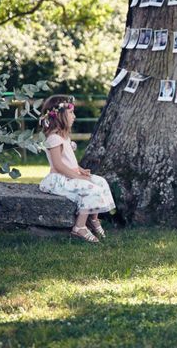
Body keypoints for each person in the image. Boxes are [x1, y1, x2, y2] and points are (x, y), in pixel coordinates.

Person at [38, 95, 115, 243]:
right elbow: (59, 165)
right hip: (60, 179)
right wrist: (77, 177)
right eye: (71, 113)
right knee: (91, 189)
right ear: (60, 116)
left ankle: (93, 218)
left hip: (71, 174)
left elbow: (69, 160)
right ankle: (79, 227)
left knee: (101, 182)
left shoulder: (64, 137)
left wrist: (80, 170)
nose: (74, 116)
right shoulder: (54, 138)